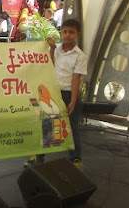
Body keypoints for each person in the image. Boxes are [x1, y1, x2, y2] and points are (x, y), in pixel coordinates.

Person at [25, 18, 87, 168]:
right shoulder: (55, 49)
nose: (67, 35)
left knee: (71, 127)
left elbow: (76, 79)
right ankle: (38, 157)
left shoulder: (80, 56)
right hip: (52, 93)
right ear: (61, 33)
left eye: (71, 32)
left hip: (68, 94)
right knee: (47, 125)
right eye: (65, 32)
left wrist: (73, 100)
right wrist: (52, 49)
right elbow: (48, 65)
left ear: (77, 35)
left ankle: (75, 159)